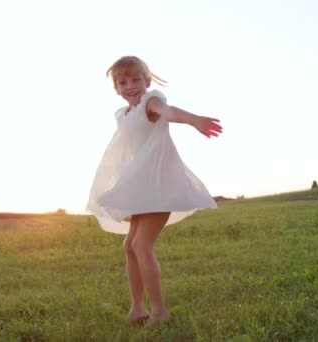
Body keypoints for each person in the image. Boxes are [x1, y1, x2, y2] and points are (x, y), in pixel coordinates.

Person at [87, 56, 223, 324]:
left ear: (146, 80)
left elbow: (169, 112)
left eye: (136, 79)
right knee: (129, 246)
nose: (130, 86)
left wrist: (195, 120)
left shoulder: (151, 102)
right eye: (122, 82)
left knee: (141, 244)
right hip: (141, 188)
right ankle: (138, 308)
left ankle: (160, 311)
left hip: (160, 186)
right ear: (117, 88)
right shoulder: (124, 115)